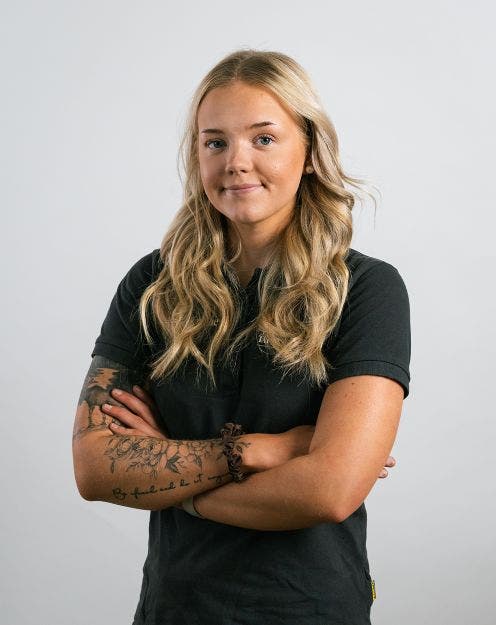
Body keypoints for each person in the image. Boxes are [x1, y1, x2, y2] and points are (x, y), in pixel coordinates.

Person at [72, 49, 411, 625]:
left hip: (310, 610)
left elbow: (330, 491)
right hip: (175, 610)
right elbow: (96, 469)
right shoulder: (152, 285)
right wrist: (264, 450)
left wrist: (178, 486)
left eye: (264, 138)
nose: (235, 162)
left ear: (310, 152)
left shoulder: (367, 290)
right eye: (215, 142)